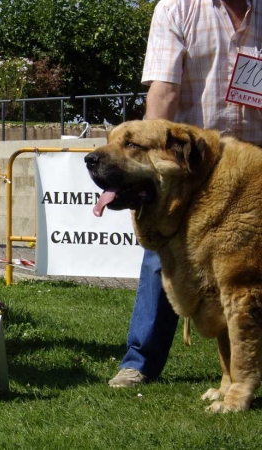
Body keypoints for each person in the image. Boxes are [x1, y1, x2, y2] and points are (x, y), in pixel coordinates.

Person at [109, 0, 262, 387]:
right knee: (162, 252)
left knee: (242, 280)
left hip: (254, 165)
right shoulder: (178, 9)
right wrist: (142, 151)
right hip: (196, 166)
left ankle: (237, 376)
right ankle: (140, 360)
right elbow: (164, 93)